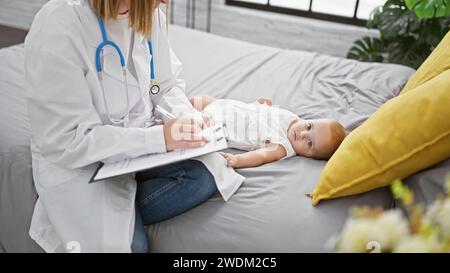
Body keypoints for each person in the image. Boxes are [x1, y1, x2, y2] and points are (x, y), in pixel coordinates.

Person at [25, 0, 244, 253]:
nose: (166, 1)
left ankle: (119, 210)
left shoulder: (149, 12)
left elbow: (162, 85)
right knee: (130, 246)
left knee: (206, 175)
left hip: (139, 145)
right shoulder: (59, 26)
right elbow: (70, 140)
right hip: (83, 161)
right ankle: (95, 217)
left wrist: (185, 116)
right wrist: (160, 138)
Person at [189, 96, 347, 169]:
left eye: (309, 143)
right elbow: (267, 116)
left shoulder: (282, 147)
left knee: (194, 123)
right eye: (309, 126)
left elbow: (261, 156)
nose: (303, 134)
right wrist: (262, 105)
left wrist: (238, 160)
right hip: (228, 107)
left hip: (221, 124)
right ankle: (170, 107)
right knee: (199, 100)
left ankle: (169, 123)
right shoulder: (294, 119)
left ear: (309, 156)